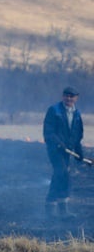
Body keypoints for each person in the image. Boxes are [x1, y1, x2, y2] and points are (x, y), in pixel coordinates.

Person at [43, 86, 84, 219]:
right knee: (62, 172)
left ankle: (59, 207)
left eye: (71, 96)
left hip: (68, 150)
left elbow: (78, 134)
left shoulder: (77, 114)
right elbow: (48, 131)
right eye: (66, 95)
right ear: (63, 97)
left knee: (61, 175)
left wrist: (79, 151)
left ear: (76, 98)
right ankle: (51, 206)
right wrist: (57, 142)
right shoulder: (54, 111)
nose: (68, 98)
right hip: (55, 149)